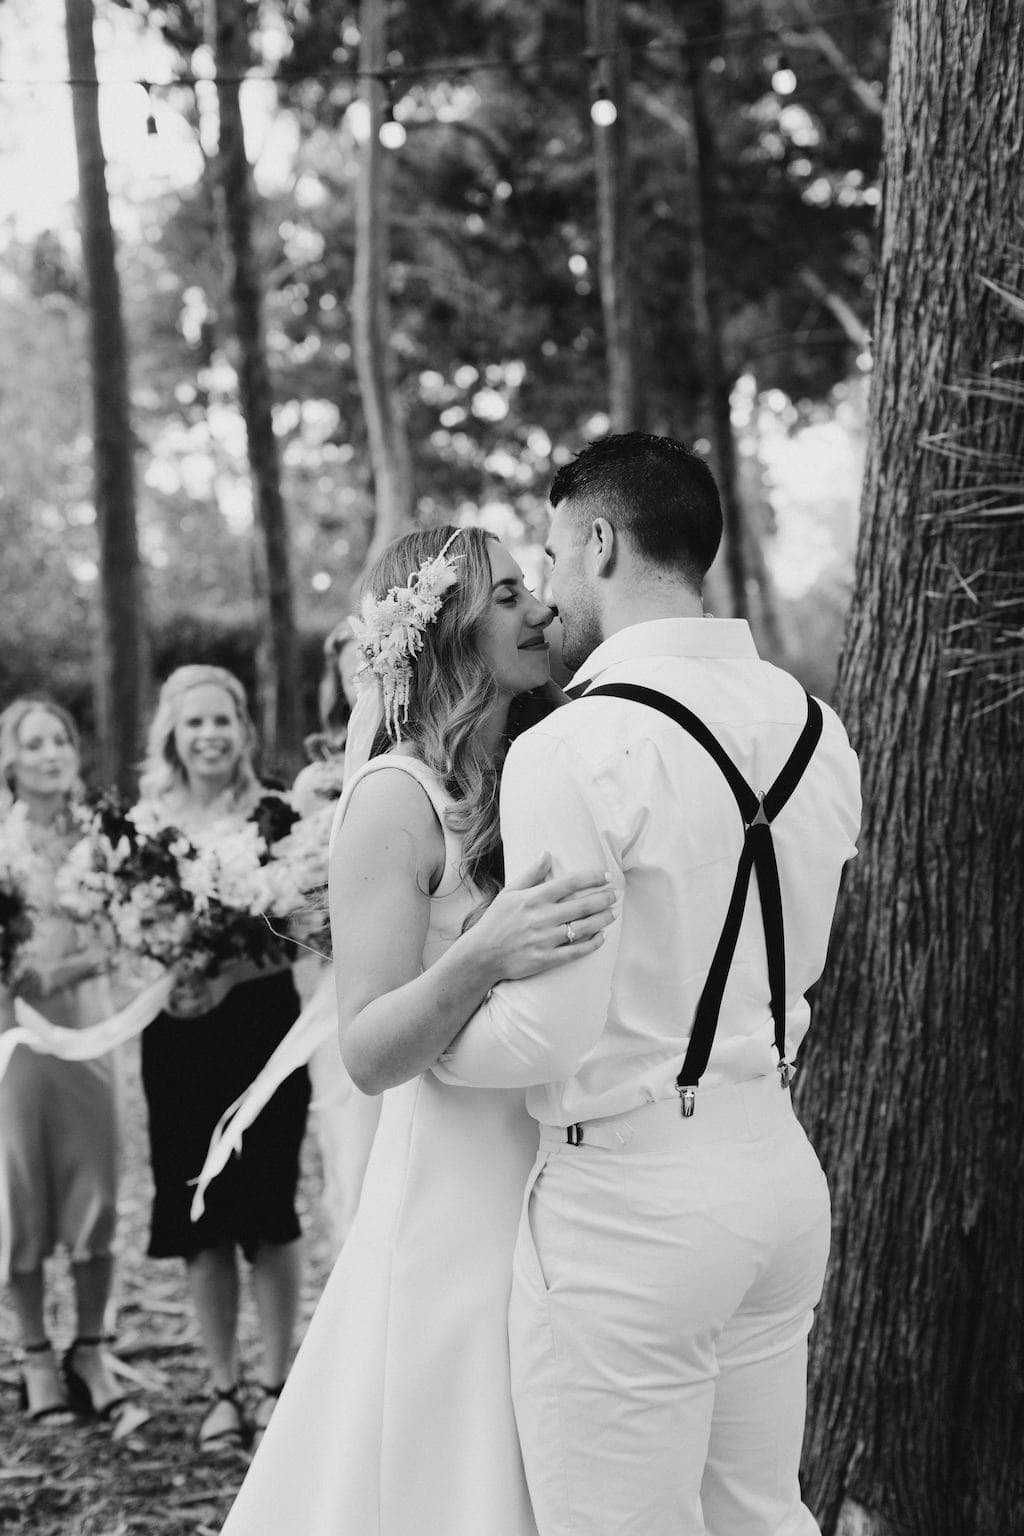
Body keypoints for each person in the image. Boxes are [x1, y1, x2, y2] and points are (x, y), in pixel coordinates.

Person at [433, 433, 863, 1536]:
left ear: (601, 541)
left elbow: (545, 1037)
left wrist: (429, 1039)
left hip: (629, 1205)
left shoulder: (575, 745)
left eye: (550, 555)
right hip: (778, 1170)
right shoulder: (819, 730)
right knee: (764, 1518)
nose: (547, 591)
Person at [219, 526, 616, 1536]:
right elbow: (368, 1047)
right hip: (454, 1191)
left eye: (534, 587)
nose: (543, 608)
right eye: (509, 596)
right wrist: (486, 951)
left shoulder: (540, 770)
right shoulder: (397, 799)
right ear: (444, 631)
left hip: (563, 1171)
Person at [136, 665, 312, 1452]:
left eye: (222, 720)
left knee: (269, 1211)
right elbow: (127, 927)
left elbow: (305, 927)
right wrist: (167, 972)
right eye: (194, 722)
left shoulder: (277, 814)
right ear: (172, 734)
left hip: (263, 1027)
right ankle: (221, 1388)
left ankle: (276, 1384)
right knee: (197, 1218)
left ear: (243, 729)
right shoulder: (145, 823)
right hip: (176, 1037)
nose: (209, 735)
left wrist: (229, 973)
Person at [0, 698, 125, 1423]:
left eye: (60, 740)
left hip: (87, 1032)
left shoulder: (106, 840)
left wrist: (62, 973)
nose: (50, 753)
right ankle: (35, 1355)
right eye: (34, 743)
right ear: (10, 761)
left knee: (94, 1186)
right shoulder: (2, 844)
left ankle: (91, 1348)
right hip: (15, 1041)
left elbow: (129, 931)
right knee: (19, 1190)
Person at [290, 621, 381, 1253]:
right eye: (355, 670)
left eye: (376, 663)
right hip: (342, 983)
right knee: (352, 1144)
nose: (366, 679)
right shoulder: (319, 781)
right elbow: (299, 900)